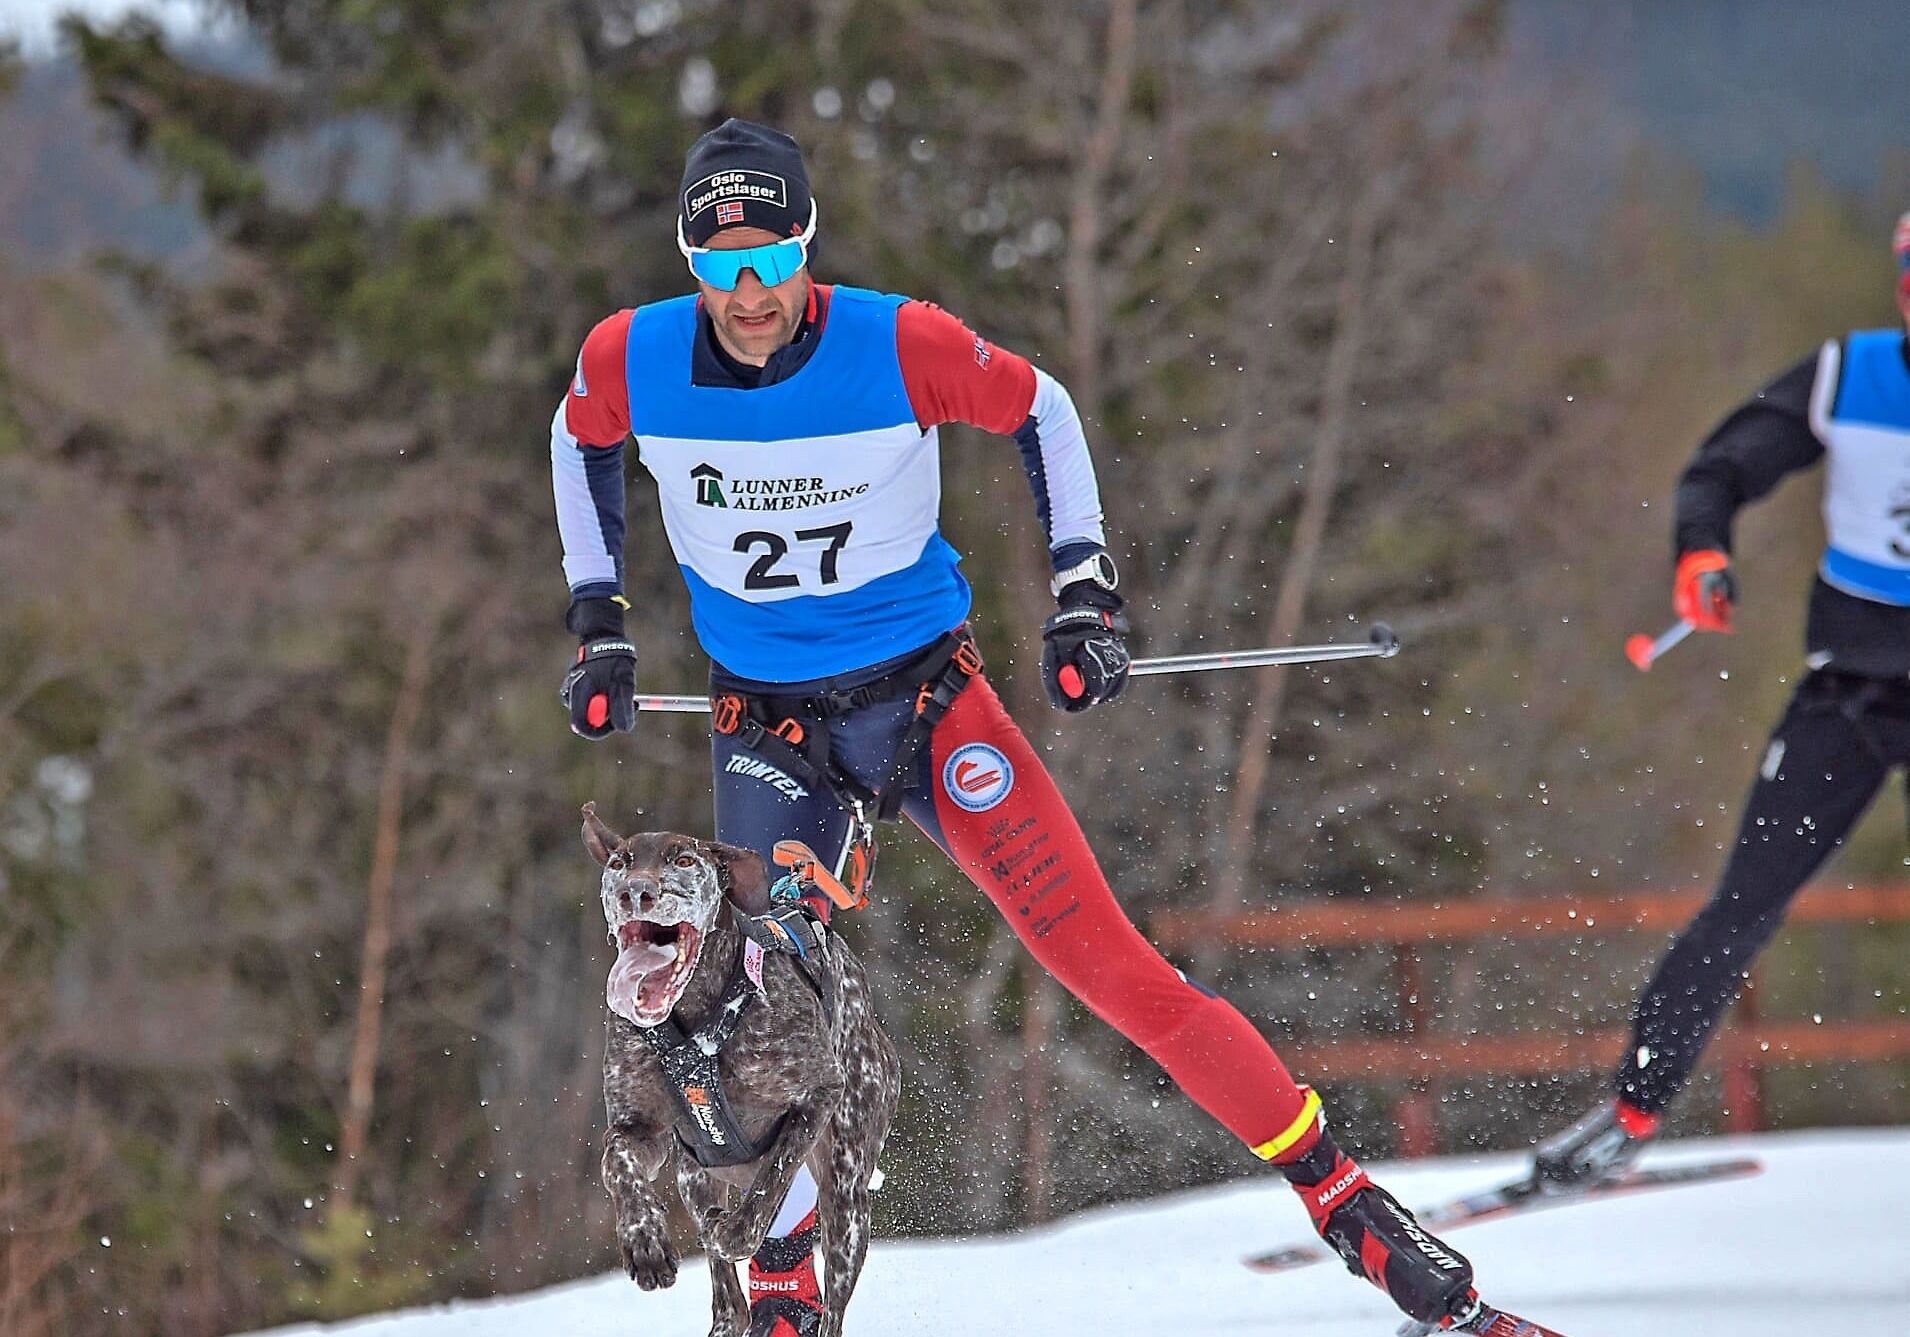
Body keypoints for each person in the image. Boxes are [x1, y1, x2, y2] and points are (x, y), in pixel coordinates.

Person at [551, 118, 1479, 1336]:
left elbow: (1038, 407)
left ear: (804, 249)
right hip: (767, 726)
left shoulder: (896, 343)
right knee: (758, 1003)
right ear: (687, 261)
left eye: (768, 260)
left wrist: (1083, 591)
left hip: (924, 706)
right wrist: (598, 617)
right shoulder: (635, 355)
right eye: (717, 265)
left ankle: (1341, 1196)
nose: (747, 293)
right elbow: (578, 443)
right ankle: (778, 1299)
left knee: (1109, 969)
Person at [1535, 211, 1910, 1187]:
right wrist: (1700, 549)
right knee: (1741, 903)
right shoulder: (1851, 372)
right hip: (1851, 693)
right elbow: (1721, 464)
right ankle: (1630, 1107)